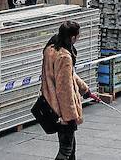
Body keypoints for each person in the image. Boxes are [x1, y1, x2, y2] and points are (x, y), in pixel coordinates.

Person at [41, 20, 100, 160]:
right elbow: (64, 89)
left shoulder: (51, 48)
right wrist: (68, 117)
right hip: (62, 110)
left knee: (71, 148)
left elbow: (70, 76)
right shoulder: (65, 56)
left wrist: (85, 91)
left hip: (51, 104)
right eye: (78, 36)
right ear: (72, 37)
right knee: (66, 150)